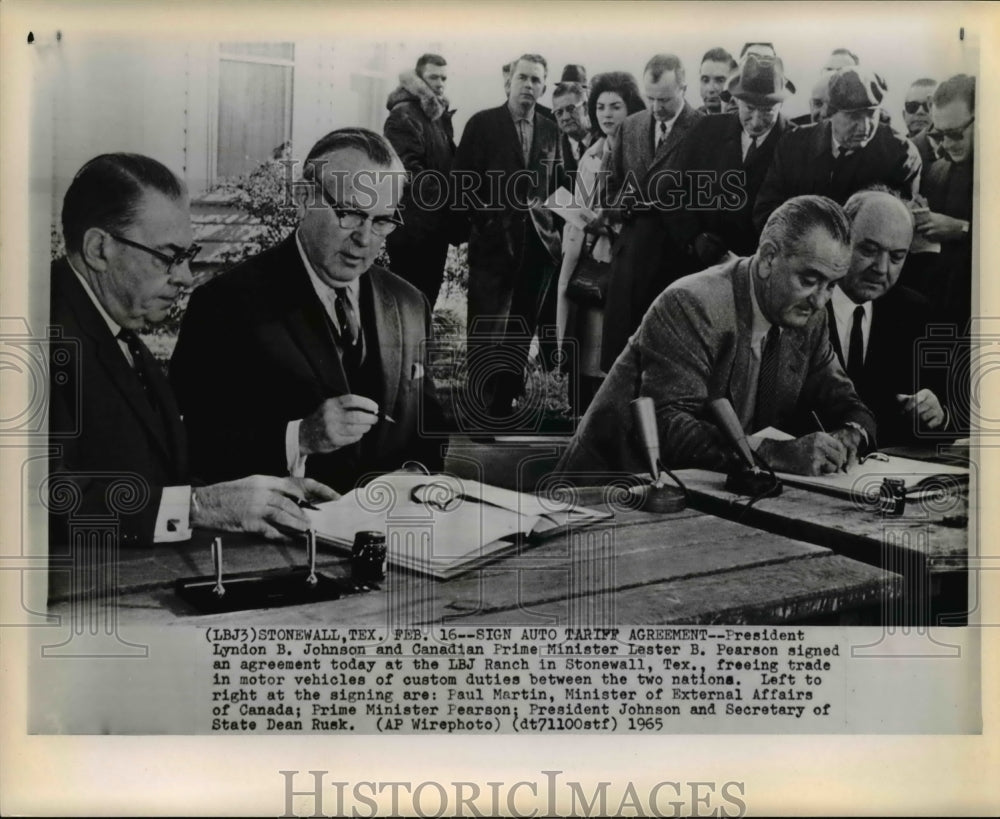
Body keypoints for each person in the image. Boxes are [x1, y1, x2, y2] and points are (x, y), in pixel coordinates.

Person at [48, 153, 336, 559]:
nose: (185, 278)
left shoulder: (115, 329)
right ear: (99, 248)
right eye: (168, 257)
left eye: (189, 255)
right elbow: (39, 496)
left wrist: (267, 494)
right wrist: (200, 507)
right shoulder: (37, 333)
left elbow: (160, 467)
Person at [170, 128, 444, 495]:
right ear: (302, 199)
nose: (365, 239)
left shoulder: (410, 304)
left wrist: (415, 476)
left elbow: (430, 431)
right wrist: (298, 438)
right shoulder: (225, 305)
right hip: (285, 544)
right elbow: (191, 446)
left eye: (381, 221)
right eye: (349, 213)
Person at [555, 195, 875, 479]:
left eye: (832, 284)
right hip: (612, 489)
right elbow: (669, 428)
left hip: (710, 493)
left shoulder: (810, 316)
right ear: (767, 259)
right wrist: (776, 454)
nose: (820, 301)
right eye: (809, 279)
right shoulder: (692, 303)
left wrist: (852, 432)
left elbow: (847, 401)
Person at [452, 54, 563, 418]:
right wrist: (484, 220)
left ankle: (505, 402)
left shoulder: (551, 129)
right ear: (509, 82)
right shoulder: (483, 124)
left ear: (544, 86)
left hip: (539, 244)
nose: (529, 85)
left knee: (521, 327)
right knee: (487, 327)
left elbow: (559, 182)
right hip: (495, 244)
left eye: (536, 80)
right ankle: (480, 408)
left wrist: (555, 230)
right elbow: (462, 181)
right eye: (523, 78)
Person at [599, 53, 704, 371]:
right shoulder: (630, 127)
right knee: (623, 363)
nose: (657, 108)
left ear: (684, 88)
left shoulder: (704, 129)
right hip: (630, 263)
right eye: (650, 99)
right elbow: (608, 192)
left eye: (665, 100)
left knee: (666, 364)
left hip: (675, 264)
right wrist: (622, 206)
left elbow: (709, 200)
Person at [555, 71, 645, 417]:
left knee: (617, 353)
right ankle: (584, 425)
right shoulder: (592, 154)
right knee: (587, 348)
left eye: (616, 106)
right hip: (591, 260)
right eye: (601, 107)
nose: (607, 114)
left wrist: (606, 221)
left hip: (624, 263)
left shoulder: (640, 152)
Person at [829, 188, 948, 445]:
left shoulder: (915, 313)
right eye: (869, 250)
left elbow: (949, 416)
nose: (881, 269)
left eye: (896, 257)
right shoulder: (804, 305)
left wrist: (935, 414)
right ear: (841, 238)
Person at [665, 53, 795, 273]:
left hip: (762, 274)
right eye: (749, 109)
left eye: (766, 112)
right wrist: (694, 238)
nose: (755, 121)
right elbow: (671, 188)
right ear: (736, 99)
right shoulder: (706, 129)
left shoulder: (796, 144)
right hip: (700, 268)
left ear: (781, 103)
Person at [754, 66, 922, 229]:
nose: (864, 127)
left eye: (871, 114)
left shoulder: (901, 155)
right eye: (853, 116)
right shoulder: (793, 145)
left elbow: (899, 228)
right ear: (829, 112)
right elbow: (766, 212)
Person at [382, 52, 457, 309]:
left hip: (433, 227)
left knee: (425, 303)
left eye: (444, 78)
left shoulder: (435, 115)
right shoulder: (404, 115)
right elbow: (408, 172)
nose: (440, 83)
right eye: (433, 77)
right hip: (411, 231)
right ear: (419, 78)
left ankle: (420, 349)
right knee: (408, 305)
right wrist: (452, 195)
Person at [907, 74, 975, 329]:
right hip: (938, 316)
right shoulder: (936, 171)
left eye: (956, 134)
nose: (947, 144)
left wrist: (962, 229)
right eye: (940, 135)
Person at [552, 81, 593, 190]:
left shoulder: (606, 141)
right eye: (559, 112)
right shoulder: (552, 149)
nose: (565, 117)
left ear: (586, 108)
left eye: (571, 109)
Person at [697, 47, 737, 114]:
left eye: (720, 80)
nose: (711, 89)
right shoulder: (693, 121)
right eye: (705, 80)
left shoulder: (745, 121)